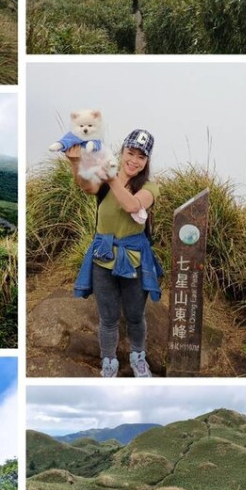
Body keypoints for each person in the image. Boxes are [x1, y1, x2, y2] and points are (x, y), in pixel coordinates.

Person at [66, 129, 163, 377]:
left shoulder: (150, 187)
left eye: (141, 157)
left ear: (147, 161)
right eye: (130, 153)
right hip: (103, 257)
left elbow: (132, 204)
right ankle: (108, 362)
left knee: (135, 316)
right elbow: (86, 186)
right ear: (121, 153)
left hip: (134, 260)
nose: (134, 160)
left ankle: (138, 358)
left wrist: (112, 179)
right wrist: (75, 161)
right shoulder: (104, 180)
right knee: (107, 318)